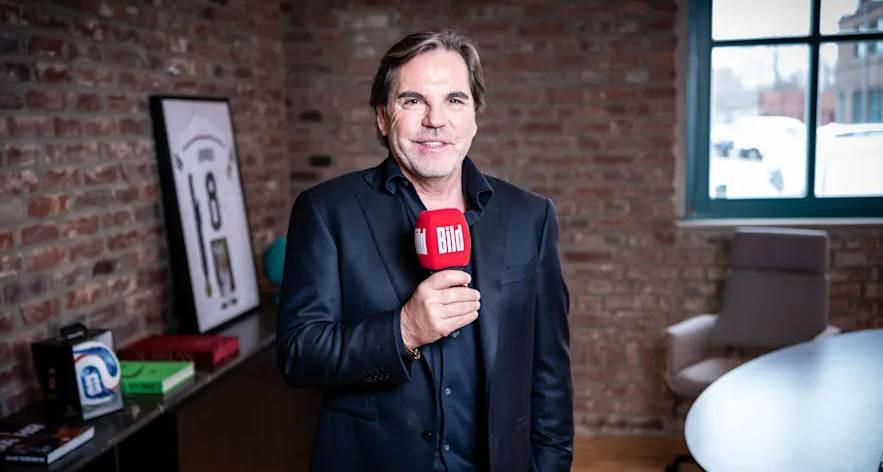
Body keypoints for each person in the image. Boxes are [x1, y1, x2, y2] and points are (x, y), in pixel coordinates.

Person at [276, 29, 573, 472]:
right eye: (412, 100)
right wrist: (404, 330)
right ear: (382, 117)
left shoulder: (530, 216)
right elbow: (298, 356)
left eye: (455, 100)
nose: (436, 119)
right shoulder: (326, 211)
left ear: (474, 117)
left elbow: (549, 373)